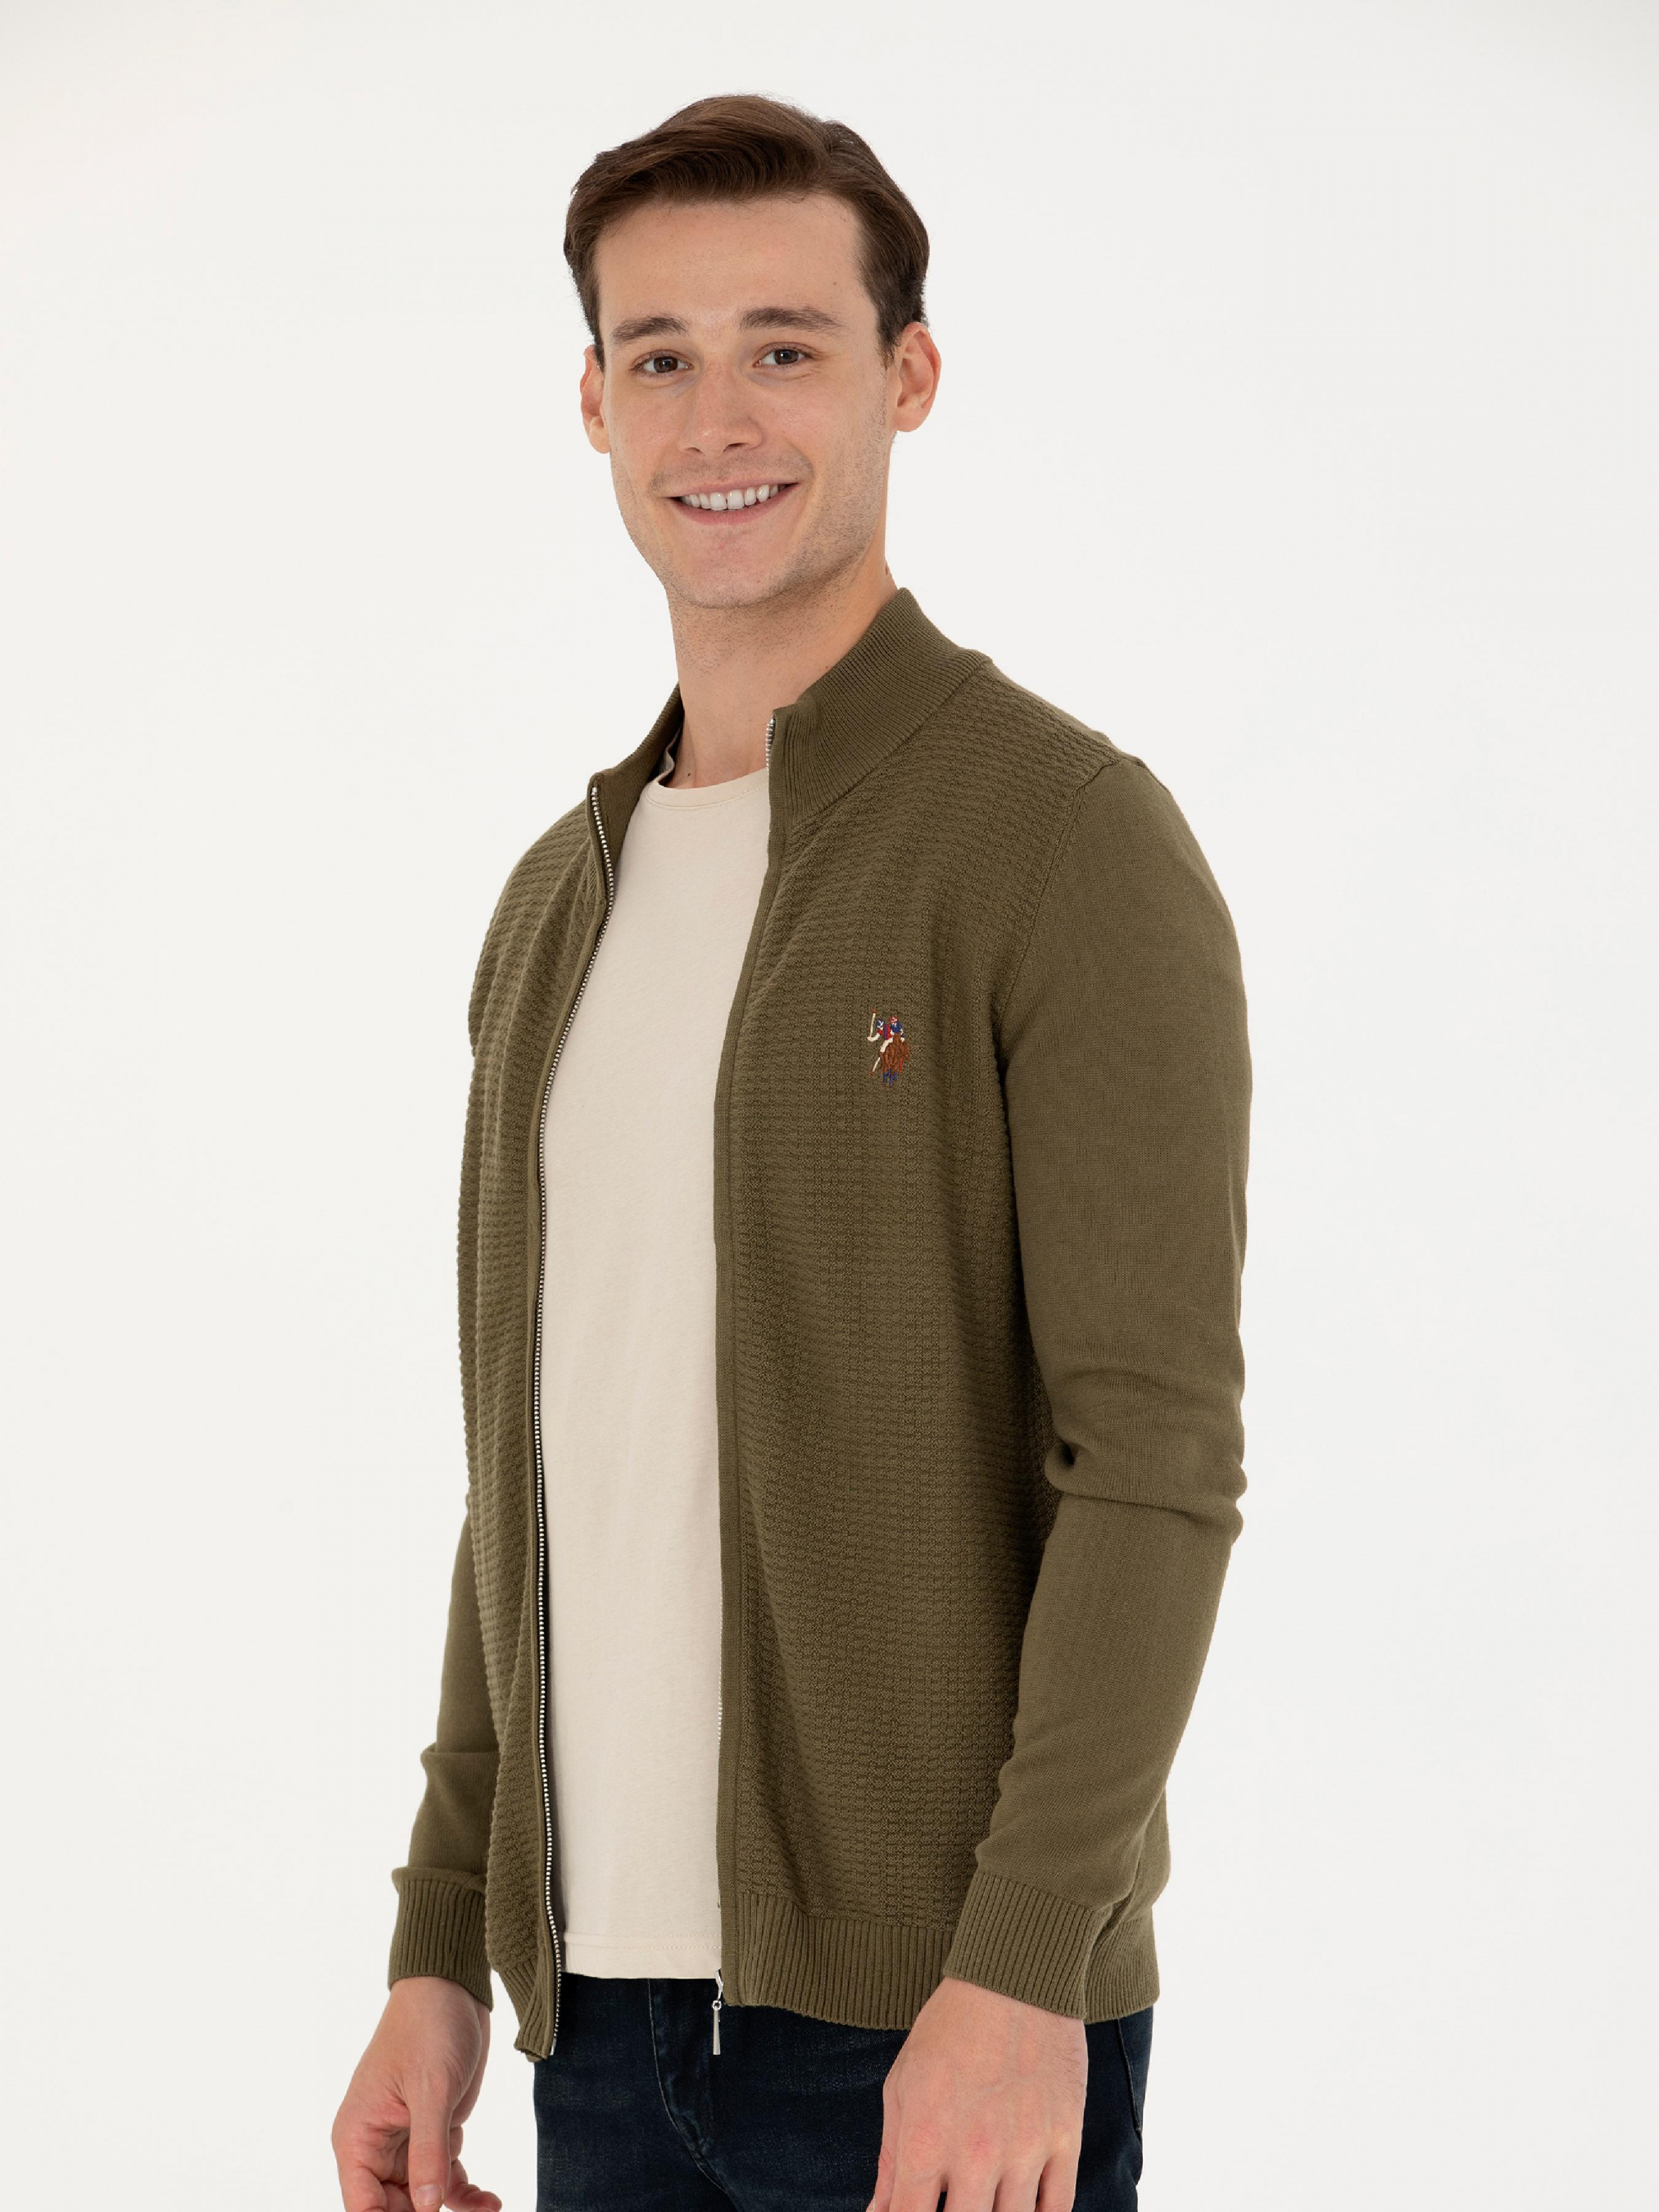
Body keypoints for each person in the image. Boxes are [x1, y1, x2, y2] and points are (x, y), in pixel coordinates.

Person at [331, 91, 1251, 2212]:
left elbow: (1153, 1458)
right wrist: (440, 1939)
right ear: (592, 403)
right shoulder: (555, 904)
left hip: (934, 2027)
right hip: (588, 2025)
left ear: (905, 375)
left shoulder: (1061, 838)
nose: (716, 416)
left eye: (784, 344)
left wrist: (1025, 1965)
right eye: (658, 354)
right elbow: (533, 1471)